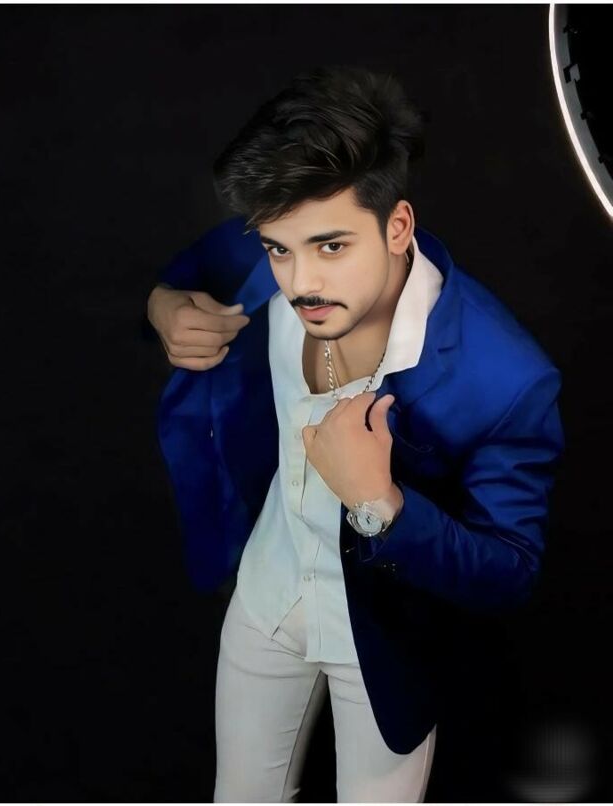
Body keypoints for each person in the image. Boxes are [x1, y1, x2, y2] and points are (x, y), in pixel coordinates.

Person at [146, 65, 565, 802]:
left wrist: (382, 506)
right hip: (266, 598)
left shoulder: (504, 377)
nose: (299, 281)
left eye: (332, 247)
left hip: (383, 639)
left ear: (397, 226)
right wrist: (163, 307)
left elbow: (511, 571)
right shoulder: (273, 244)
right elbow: (187, 274)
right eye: (279, 249)